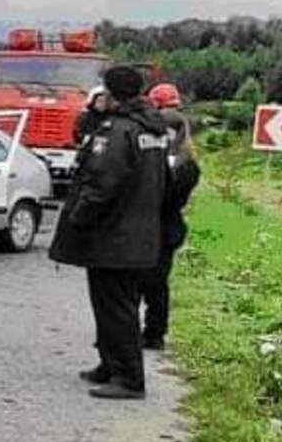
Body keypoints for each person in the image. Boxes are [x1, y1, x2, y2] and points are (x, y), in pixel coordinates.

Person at [49, 66, 170, 400]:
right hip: (139, 231)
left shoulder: (117, 130)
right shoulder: (153, 129)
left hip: (113, 235)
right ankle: (110, 364)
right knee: (116, 303)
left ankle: (129, 378)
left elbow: (102, 183)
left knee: (115, 306)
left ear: (112, 93)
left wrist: (78, 218)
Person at [142, 83, 201, 350]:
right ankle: (154, 331)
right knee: (157, 282)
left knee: (146, 282)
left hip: (155, 225)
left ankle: (151, 332)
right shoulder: (188, 159)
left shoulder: (173, 159)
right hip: (168, 227)